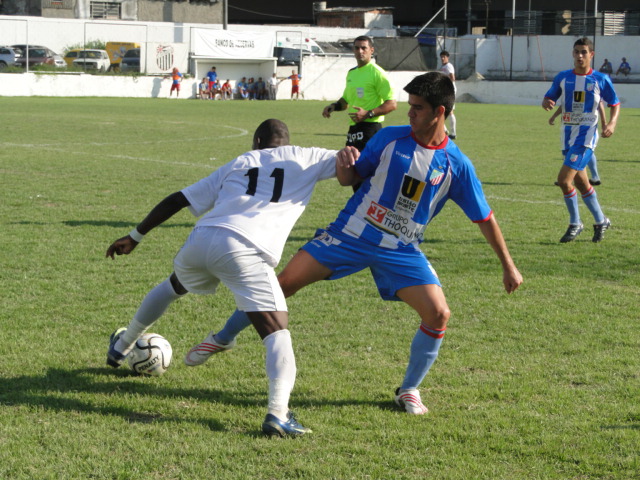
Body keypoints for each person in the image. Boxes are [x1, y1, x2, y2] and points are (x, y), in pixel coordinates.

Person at [186, 72, 523, 417]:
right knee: (282, 284)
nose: (409, 113)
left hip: (401, 249)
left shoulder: (457, 165)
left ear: (439, 112)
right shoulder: (390, 139)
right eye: (409, 106)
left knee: (438, 314)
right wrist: (347, 165)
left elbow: (484, 217)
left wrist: (508, 266)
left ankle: (408, 389)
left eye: (418, 108)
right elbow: (351, 178)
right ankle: (223, 337)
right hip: (349, 234)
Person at [105, 119, 346, 437]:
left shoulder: (241, 161)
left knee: (174, 285)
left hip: (203, 238)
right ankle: (278, 414)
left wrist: (135, 235)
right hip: (246, 248)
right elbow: (352, 160)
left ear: (257, 141)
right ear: (286, 141)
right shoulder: (307, 155)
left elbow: (178, 199)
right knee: (276, 330)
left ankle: (121, 346)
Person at [542, 37, 620, 243]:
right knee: (582, 184)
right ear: (572, 54)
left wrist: (611, 124)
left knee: (564, 181)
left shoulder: (601, 79)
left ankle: (575, 223)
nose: (579, 56)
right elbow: (550, 96)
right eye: (576, 52)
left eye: (584, 52)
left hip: (586, 138)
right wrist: (547, 102)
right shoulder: (563, 77)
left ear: (591, 55)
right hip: (567, 136)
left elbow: (614, 103)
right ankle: (601, 220)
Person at [321, 35, 397, 191]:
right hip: (354, 130)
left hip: (371, 129)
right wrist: (334, 106)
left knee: (369, 178)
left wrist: (368, 113)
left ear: (371, 50)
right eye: (356, 48)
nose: (360, 51)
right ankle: (359, 212)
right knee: (353, 175)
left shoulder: (377, 73)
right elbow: (346, 101)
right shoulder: (352, 73)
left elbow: (391, 104)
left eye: (364, 48)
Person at [548, 101, 607, 185]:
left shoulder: (591, 89)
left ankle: (569, 177)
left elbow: (599, 103)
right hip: (570, 124)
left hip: (584, 124)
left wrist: (604, 123)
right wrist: (554, 116)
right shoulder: (571, 90)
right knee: (581, 149)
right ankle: (593, 177)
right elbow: (566, 104)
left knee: (582, 148)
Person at [439, 51, 457, 139]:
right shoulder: (443, 67)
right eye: (441, 57)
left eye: (444, 57)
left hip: (449, 91)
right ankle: (446, 131)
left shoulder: (449, 66)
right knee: (440, 109)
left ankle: (452, 133)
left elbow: (452, 77)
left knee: (448, 111)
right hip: (445, 91)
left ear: (447, 57)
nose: (442, 58)